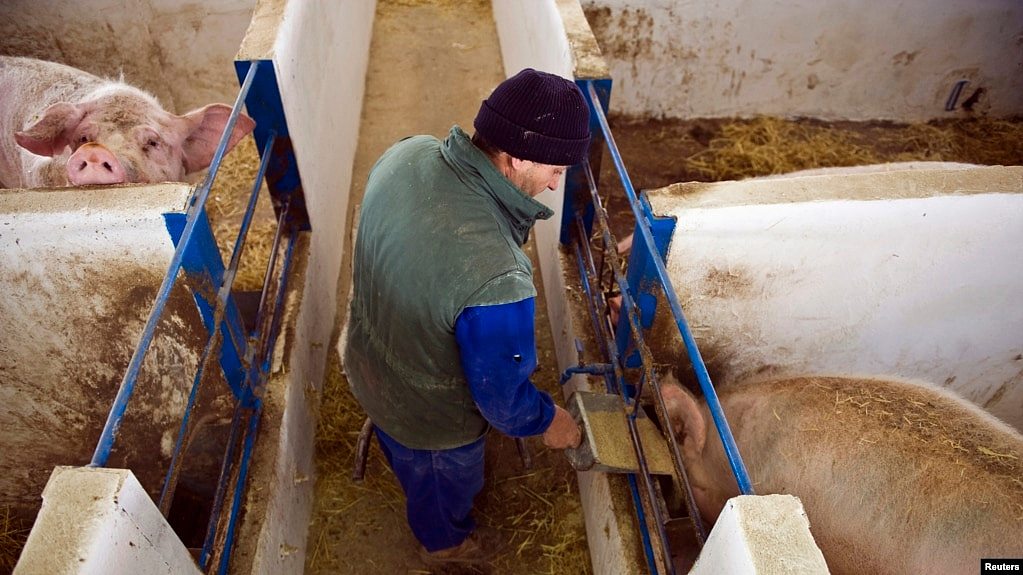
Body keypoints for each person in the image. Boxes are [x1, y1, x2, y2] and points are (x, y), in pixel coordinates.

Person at [343, 68, 589, 567]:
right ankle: (445, 545)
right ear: (517, 154)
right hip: (426, 420)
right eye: (556, 169)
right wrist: (551, 420)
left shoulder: (406, 153)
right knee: (443, 488)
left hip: (367, 355)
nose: (555, 184)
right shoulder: (496, 275)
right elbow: (501, 402)